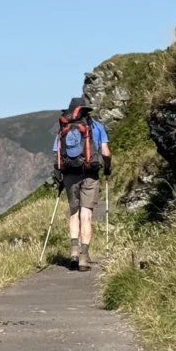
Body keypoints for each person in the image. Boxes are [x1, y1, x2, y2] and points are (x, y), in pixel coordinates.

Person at [52, 97, 112, 271]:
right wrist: (107, 167)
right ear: (86, 110)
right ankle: (84, 258)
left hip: (70, 175)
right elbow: (106, 152)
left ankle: (73, 253)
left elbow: (57, 153)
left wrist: (59, 176)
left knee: (74, 213)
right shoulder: (96, 126)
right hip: (90, 174)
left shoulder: (63, 128)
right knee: (86, 215)